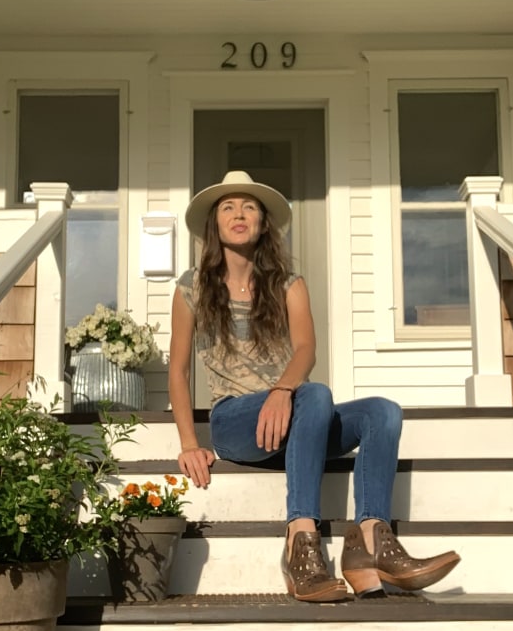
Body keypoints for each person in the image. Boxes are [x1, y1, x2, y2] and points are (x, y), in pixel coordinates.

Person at [168, 170, 460, 603]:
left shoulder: (288, 284)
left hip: (293, 418)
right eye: (228, 207)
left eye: (250, 206)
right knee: (317, 394)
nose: (239, 214)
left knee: (383, 411)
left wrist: (282, 392)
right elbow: (176, 370)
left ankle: (370, 542)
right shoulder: (191, 287)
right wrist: (190, 442)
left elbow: (306, 349)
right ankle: (300, 540)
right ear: (214, 224)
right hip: (237, 423)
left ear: (264, 223)